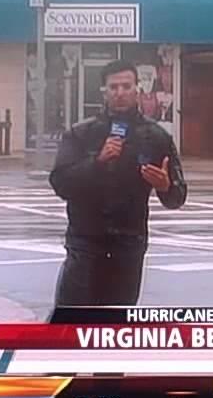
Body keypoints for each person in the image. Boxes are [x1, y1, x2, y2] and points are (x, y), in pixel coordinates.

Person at [49, 59, 187, 307]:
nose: (120, 93)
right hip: (85, 241)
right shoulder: (81, 133)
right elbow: (61, 183)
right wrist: (97, 162)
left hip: (129, 244)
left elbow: (177, 197)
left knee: (116, 324)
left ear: (138, 89)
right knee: (70, 322)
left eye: (126, 86)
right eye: (114, 87)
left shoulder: (156, 136)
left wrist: (166, 186)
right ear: (104, 91)